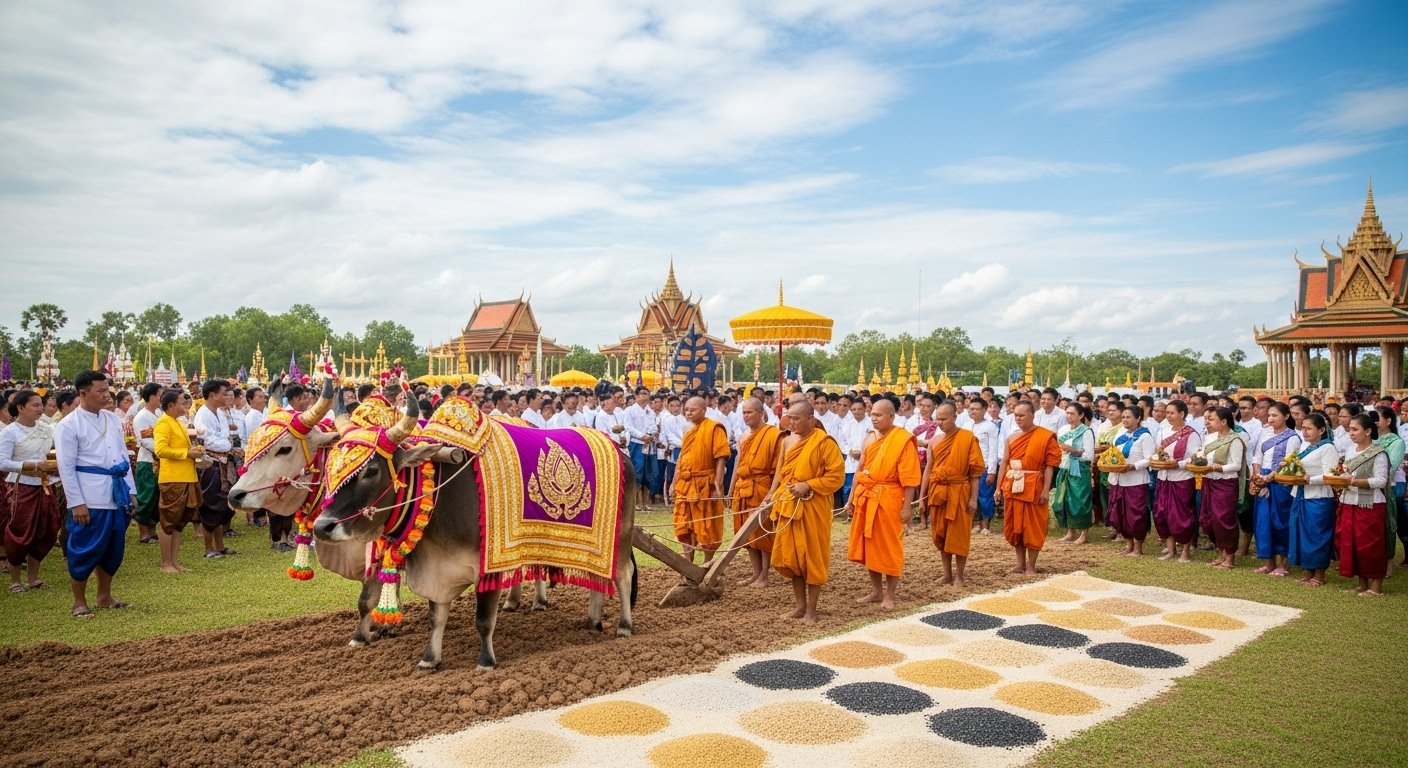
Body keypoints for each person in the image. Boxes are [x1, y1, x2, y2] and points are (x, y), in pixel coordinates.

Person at [53, 371, 136, 619]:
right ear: (83, 393)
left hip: (117, 493)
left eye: (107, 389)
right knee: (84, 547)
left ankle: (104, 596)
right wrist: (76, 502)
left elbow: (122, 458)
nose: (106, 394)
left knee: (113, 547)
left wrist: (131, 491)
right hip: (89, 495)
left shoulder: (112, 419)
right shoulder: (69, 425)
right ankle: (79, 602)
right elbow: (65, 467)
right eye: (100, 390)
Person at [768, 400, 845, 624]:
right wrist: (775, 495)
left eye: (796, 418)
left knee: (811, 557)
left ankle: (812, 610)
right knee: (793, 559)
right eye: (789, 418)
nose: (791, 422)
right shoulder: (788, 441)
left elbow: (836, 477)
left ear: (810, 419)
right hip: (789, 505)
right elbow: (782, 473)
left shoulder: (824, 442)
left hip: (813, 508)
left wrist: (809, 485)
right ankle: (800, 606)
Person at [845, 395, 920, 610]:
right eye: (872, 414)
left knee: (889, 546)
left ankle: (890, 594)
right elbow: (860, 470)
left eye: (878, 415)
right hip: (867, 495)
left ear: (891, 416)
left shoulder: (902, 439)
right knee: (870, 546)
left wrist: (907, 507)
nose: (874, 418)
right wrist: (851, 500)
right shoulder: (869, 438)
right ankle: (877, 591)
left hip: (890, 497)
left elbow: (910, 478)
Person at [0, 390, 61, 592]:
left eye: (40, 404)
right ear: (20, 408)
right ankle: (16, 580)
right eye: (35, 405)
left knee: (46, 530)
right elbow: (3, 463)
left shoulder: (46, 429)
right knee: (19, 531)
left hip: (44, 485)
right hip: (20, 486)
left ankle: (34, 578)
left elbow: (53, 452)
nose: (40, 409)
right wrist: (34, 465)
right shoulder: (10, 432)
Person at [920, 402, 985, 587]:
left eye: (944, 419)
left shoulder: (968, 438)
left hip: (960, 492)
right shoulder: (934, 441)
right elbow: (928, 471)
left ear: (955, 417)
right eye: (937, 419)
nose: (940, 422)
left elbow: (974, 473)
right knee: (941, 534)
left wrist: (973, 498)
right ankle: (947, 574)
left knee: (959, 535)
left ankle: (960, 576)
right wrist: (923, 497)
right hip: (938, 492)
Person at [996, 401, 1062, 574]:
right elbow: (1004, 462)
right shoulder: (1011, 437)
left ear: (1032, 415)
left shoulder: (1045, 436)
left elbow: (1049, 465)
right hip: (1013, 484)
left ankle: (1031, 565)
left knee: (1033, 526)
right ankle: (1020, 564)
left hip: (1034, 485)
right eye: (1016, 415)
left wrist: (1046, 489)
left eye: (1022, 415)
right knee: (1015, 525)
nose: (1018, 419)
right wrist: (998, 487)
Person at [730, 397, 782, 588]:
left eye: (749, 412)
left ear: (761, 413)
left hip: (762, 486)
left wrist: (772, 492)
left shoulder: (773, 434)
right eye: (743, 412)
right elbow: (739, 463)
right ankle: (755, 572)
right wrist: (730, 489)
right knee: (745, 533)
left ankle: (765, 575)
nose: (746, 416)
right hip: (743, 488)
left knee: (762, 531)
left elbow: (779, 467)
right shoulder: (743, 436)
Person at [1337, 413, 1389, 596]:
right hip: (1350, 501)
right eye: (1350, 429)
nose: (1351, 433)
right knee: (1353, 542)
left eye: (1355, 429)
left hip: (1370, 504)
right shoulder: (1351, 451)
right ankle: (1362, 582)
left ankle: (1376, 586)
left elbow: (1381, 481)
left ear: (1368, 431)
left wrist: (1354, 482)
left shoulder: (1379, 453)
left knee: (1371, 545)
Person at [673, 396, 729, 563]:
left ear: (703, 411)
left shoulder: (714, 428)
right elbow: (682, 457)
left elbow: (720, 458)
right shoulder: (687, 430)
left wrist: (717, 485)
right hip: (685, 484)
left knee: (707, 526)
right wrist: (674, 481)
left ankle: (706, 563)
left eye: (693, 410)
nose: (688, 413)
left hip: (705, 484)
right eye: (687, 409)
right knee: (684, 525)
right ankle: (688, 563)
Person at [152, 389, 201, 573]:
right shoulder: (164, 423)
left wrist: (194, 454)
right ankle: (166, 563)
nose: (185, 405)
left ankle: (174, 562)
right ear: (171, 405)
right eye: (182, 402)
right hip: (172, 478)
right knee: (169, 521)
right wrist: (186, 453)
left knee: (180, 522)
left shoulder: (178, 422)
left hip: (187, 476)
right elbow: (160, 450)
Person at [1286, 413, 1337, 587]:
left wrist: (1309, 479)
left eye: (1309, 429)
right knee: (1301, 532)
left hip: (1319, 497)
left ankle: (1320, 574)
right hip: (1301, 495)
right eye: (1303, 428)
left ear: (1321, 430)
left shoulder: (1327, 448)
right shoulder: (1304, 447)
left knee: (1318, 535)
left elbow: (1330, 475)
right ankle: (1308, 571)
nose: (1305, 432)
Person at [1251, 402, 1300, 576]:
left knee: (1280, 522)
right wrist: (1258, 476)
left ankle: (1283, 563)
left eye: (1275, 416)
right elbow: (1257, 456)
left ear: (1286, 417)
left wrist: (1269, 477)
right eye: (1269, 415)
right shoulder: (1264, 433)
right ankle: (1268, 561)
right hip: (1262, 480)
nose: (1270, 419)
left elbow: (1289, 463)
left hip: (1280, 483)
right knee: (1263, 521)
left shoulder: (1292, 437)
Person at [192, 380, 239, 558]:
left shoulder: (219, 412)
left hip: (224, 462)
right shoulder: (202, 415)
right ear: (213, 395)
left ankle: (220, 546)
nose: (227, 396)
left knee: (223, 504)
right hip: (210, 465)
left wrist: (226, 444)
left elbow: (225, 437)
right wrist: (227, 444)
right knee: (211, 503)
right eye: (224, 392)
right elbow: (208, 441)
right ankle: (208, 548)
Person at [1154, 400, 1202, 562]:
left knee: (1181, 515)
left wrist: (1178, 464)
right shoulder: (1163, 431)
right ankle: (1170, 549)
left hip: (1182, 479)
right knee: (1162, 513)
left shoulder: (1191, 434)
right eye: (1167, 413)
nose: (1168, 416)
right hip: (1163, 478)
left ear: (1182, 414)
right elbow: (1158, 453)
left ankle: (1185, 551)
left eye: (1172, 413)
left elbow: (1194, 458)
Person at [1200, 406, 1247, 569]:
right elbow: (1203, 457)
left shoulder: (1235, 439)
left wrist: (1218, 468)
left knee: (1224, 519)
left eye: (1211, 419)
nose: (1207, 422)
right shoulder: (1209, 437)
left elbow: (1236, 465)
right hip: (1208, 481)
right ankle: (1221, 552)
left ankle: (1230, 557)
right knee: (1210, 518)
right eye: (1207, 419)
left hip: (1225, 483)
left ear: (1224, 421)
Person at [1106, 405, 1154, 557]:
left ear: (1138, 418)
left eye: (1129, 417)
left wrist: (1134, 466)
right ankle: (1129, 544)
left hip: (1136, 481)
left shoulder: (1145, 436)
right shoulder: (1121, 434)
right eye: (1124, 417)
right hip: (1119, 480)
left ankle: (1138, 547)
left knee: (1136, 514)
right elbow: (1113, 454)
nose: (1125, 420)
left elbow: (1150, 459)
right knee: (1120, 513)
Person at [1053, 403, 1095, 545]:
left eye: (1072, 414)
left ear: (1081, 415)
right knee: (1063, 500)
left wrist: (1073, 451)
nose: (1069, 416)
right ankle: (1070, 532)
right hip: (1064, 468)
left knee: (1080, 500)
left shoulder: (1086, 432)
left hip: (1079, 470)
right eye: (1068, 413)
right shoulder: (1063, 429)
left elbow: (1089, 455)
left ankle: (1084, 533)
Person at [130, 383, 162, 544]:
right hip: (148, 462)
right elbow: (146, 441)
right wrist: (164, 449)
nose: (161, 398)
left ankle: (152, 530)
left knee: (156, 497)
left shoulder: (157, 414)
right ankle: (143, 532)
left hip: (160, 462)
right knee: (146, 497)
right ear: (152, 396)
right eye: (159, 395)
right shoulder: (142, 417)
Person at [964, 398, 1000, 535]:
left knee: (984, 496)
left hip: (984, 466)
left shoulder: (990, 426)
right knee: (970, 496)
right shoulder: (966, 425)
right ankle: (975, 522)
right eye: (970, 408)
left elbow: (993, 450)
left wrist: (992, 471)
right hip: (968, 467)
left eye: (975, 409)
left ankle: (985, 523)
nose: (972, 411)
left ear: (984, 410)